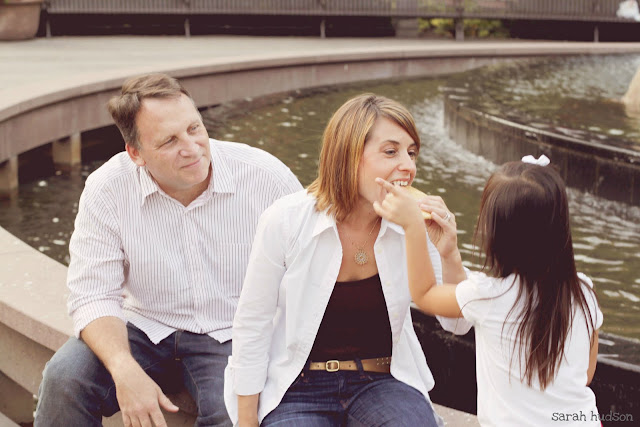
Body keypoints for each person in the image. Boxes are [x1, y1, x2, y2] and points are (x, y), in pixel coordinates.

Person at [34, 73, 302, 427]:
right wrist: (124, 368)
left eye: (194, 128)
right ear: (136, 153)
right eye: (169, 140)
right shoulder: (107, 189)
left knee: (235, 412)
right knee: (64, 379)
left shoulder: (265, 177)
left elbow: (310, 271)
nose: (192, 148)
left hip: (232, 333)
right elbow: (93, 294)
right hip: (145, 327)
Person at [224, 93, 472, 427]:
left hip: (382, 381)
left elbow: (458, 324)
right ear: (349, 154)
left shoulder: (414, 222)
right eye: (391, 151)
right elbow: (253, 322)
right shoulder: (286, 220)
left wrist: (449, 253)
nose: (409, 166)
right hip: (297, 386)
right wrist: (246, 420)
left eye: (412, 153)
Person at [373, 154, 602, 426]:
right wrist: (449, 254)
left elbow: (424, 294)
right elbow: (585, 374)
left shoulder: (489, 295)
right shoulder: (584, 292)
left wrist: (413, 227)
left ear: (496, 235)